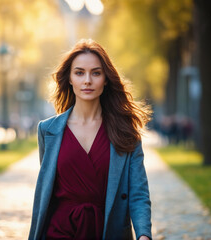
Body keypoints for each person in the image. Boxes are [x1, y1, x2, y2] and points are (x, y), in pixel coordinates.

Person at [29, 39, 152, 240]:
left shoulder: (125, 131)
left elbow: (138, 194)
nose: (87, 80)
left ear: (106, 79)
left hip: (108, 231)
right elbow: (48, 191)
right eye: (79, 73)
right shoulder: (47, 130)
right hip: (58, 231)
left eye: (96, 73)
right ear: (69, 78)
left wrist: (144, 235)